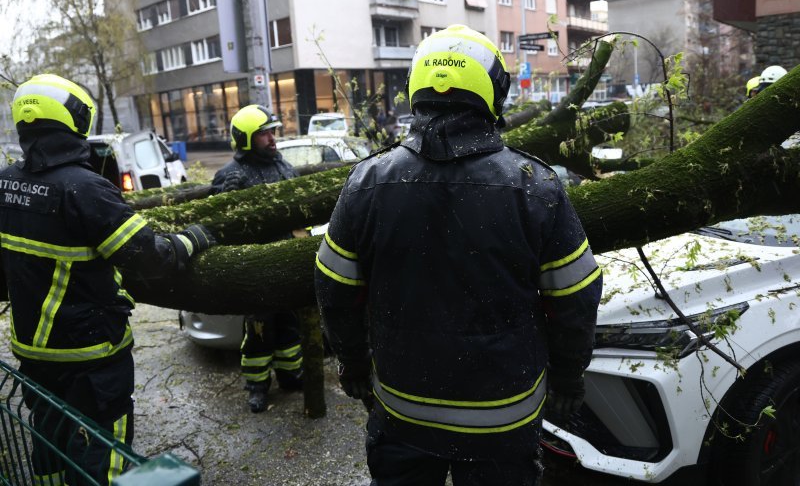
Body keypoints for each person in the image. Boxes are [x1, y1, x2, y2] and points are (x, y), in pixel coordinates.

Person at [315, 25, 603, 485]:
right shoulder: (535, 187)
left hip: (402, 412)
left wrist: (353, 362)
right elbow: (576, 297)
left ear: (417, 89)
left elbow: (334, 289)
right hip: (504, 418)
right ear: (493, 92)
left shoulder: (367, 182)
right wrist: (569, 375)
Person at [1, 74, 215, 485]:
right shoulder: (84, 189)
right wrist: (191, 240)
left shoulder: (4, 183)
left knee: (50, 444)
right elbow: (151, 259)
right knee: (104, 455)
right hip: (91, 354)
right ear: (74, 119)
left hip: (33, 351)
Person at [210, 104, 303, 413]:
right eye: (264, 134)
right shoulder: (230, 175)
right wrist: (225, 198)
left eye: (272, 132)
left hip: (285, 263)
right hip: (255, 270)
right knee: (259, 333)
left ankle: (291, 376)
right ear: (247, 139)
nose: (272, 138)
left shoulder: (282, 166)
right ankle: (257, 387)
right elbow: (216, 224)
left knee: (289, 328)